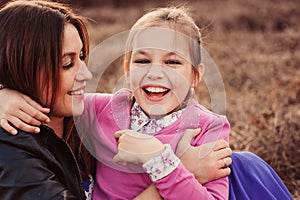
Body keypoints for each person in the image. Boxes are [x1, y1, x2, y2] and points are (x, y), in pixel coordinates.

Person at [0, 5, 292, 200]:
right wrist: (3, 92)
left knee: (244, 165)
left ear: (196, 75)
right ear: (127, 67)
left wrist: (163, 162)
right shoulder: (102, 109)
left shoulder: (207, 126)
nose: (155, 72)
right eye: (142, 60)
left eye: (173, 62)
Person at [0, 0, 93, 199]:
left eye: (82, 57)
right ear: (22, 67)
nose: (86, 74)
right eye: (67, 63)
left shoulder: (87, 123)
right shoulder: (9, 150)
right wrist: (159, 185)